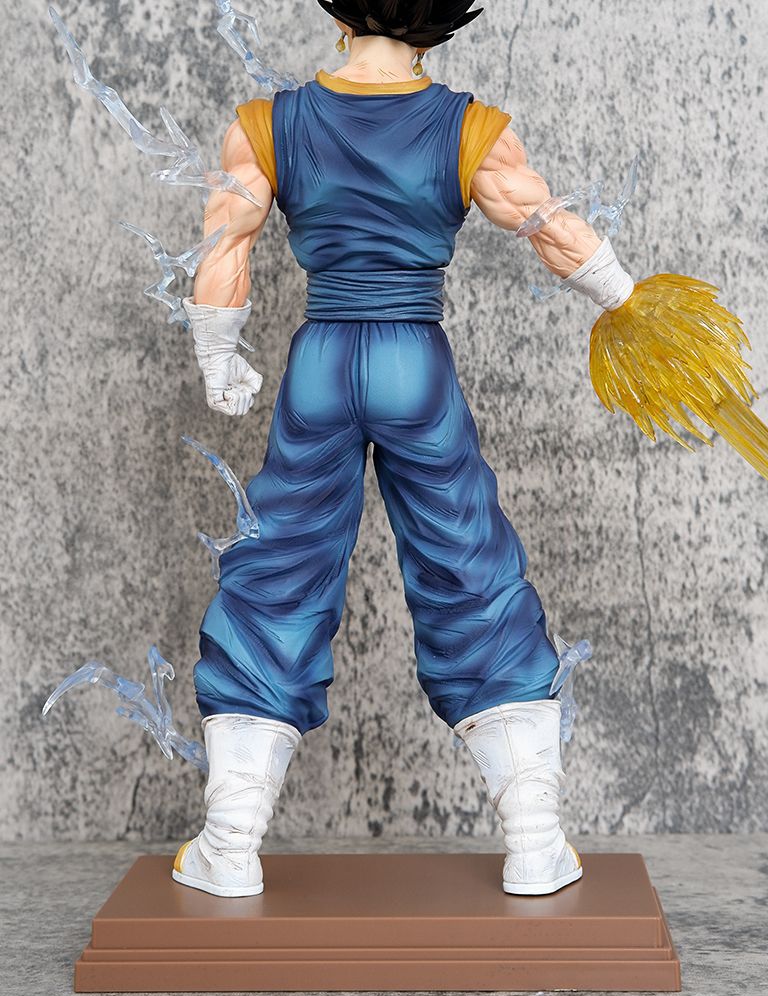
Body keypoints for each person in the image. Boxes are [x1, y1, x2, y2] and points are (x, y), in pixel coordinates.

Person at [174, 7, 633, 903]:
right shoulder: (469, 128)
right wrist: (628, 300)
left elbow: (227, 242)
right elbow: (547, 224)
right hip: (413, 363)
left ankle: (229, 843)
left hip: (320, 363)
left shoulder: (269, 124)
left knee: (280, 569)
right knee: (468, 562)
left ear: (338, 10)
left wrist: (216, 351)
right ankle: (536, 840)